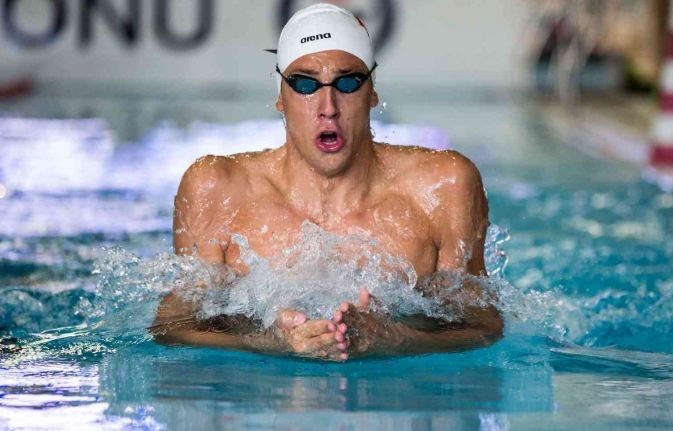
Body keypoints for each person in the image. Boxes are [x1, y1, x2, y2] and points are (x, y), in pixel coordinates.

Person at [150, 3, 503, 361]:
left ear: (372, 92)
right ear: (280, 97)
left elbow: (482, 327)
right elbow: (172, 326)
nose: (328, 107)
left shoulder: (441, 188)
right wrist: (269, 341)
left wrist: (398, 339)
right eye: (305, 84)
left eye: (347, 83)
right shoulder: (218, 189)